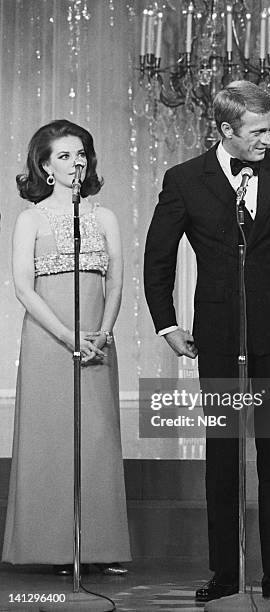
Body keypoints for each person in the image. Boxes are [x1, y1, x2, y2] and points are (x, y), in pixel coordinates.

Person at [144, 81, 270, 604]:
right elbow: (158, 256)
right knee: (223, 455)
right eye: (257, 131)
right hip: (221, 336)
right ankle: (225, 573)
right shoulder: (185, 179)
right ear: (227, 130)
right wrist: (167, 324)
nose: (267, 139)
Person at [2, 119, 131, 576]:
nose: (75, 163)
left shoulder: (105, 217)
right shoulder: (30, 219)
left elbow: (115, 280)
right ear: (44, 165)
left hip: (98, 338)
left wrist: (103, 331)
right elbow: (22, 286)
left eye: (81, 154)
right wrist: (67, 335)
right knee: (50, 439)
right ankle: (50, 547)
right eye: (63, 155)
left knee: (96, 438)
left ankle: (99, 545)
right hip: (49, 340)